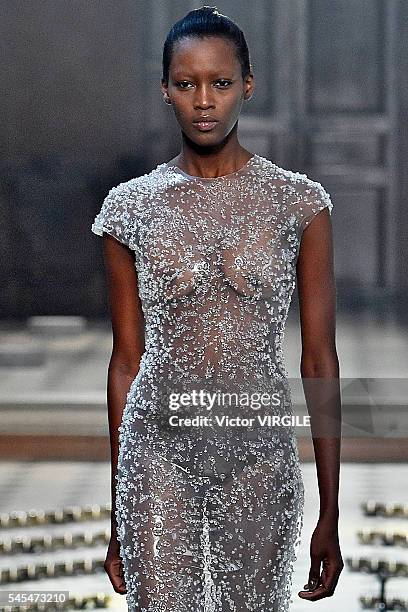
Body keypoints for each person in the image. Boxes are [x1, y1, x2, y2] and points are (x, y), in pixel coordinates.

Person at [91, 5, 343, 611]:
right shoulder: (131, 208)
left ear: (247, 86)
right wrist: (119, 505)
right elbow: (127, 361)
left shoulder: (299, 204)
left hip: (258, 448)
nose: (204, 100)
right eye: (187, 84)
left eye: (221, 83)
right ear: (166, 91)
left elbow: (319, 359)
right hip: (156, 448)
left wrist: (330, 508)